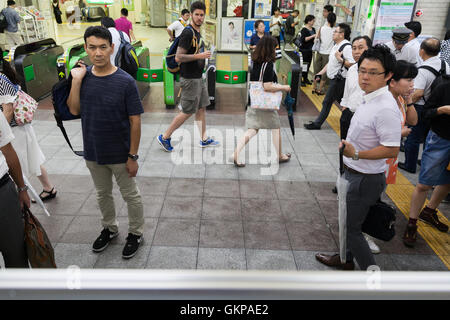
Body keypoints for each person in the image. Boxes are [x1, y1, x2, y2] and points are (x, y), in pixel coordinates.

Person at [316, 44, 401, 271]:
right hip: (354, 172)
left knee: (352, 230)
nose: (365, 77)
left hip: (364, 178)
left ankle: (372, 279)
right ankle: (344, 259)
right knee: (351, 223)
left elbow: (392, 150)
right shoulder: (369, 97)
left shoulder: (385, 107)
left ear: (388, 75)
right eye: (362, 70)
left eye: (373, 73)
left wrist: (356, 153)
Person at [67, 26, 145, 259]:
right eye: (92, 47)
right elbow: (73, 109)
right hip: (93, 152)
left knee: (131, 195)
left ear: (112, 48)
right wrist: (76, 81)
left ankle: (136, 233)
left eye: (103, 47)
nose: (98, 53)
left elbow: (136, 122)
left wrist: (133, 156)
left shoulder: (125, 82)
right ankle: (110, 228)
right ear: (85, 49)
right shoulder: (82, 77)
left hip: (121, 154)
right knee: (103, 194)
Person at [157, 1, 218, 152]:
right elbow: (179, 57)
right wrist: (200, 56)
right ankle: (165, 137)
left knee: (202, 107)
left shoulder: (197, 32)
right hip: (190, 79)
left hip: (198, 77)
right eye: (196, 14)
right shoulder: (188, 32)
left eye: (201, 15)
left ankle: (203, 139)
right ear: (191, 15)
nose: (199, 18)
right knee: (187, 111)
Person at [0, 51, 57, 202]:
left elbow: (8, 109)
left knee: (17, 165)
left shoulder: (0, 78)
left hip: (14, 130)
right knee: (33, 158)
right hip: (20, 127)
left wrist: (2, 131)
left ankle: (20, 199)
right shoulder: (4, 73)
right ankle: (48, 188)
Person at [402, 78, 450, 247]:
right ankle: (412, 223)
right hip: (440, 139)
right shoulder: (444, 87)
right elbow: (426, 113)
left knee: (447, 181)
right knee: (424, 184)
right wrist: (442, 110)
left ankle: (429, 211)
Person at [232, 35, 291, 167]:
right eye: (275, 47)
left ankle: (236, 153)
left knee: (253, 128)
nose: (276, 50)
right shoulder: (268, 64)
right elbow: (267, 85)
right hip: (265, 103)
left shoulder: (256, 61)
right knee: (275, 127)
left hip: (255, 100)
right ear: (269, 48)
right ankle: (280, 156)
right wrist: (284, 87)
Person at [398, 38, 450, 173]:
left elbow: (418, 93)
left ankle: (409, 164)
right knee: (428, 136)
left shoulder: (423, 70)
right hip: (438, 108)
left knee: (413, 138)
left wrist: (407, 105)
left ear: (421, 51)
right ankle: (425, 161)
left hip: (421, 107)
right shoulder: (445, 64)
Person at [305, 23, 355, 130]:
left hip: (339, 81)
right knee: (345, 103)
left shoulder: (346, 47)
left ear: (342, 34)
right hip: (334, 80)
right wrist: (320, 73)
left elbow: (352, 64)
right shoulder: (336, 45)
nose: (334, 33)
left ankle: (317, 124)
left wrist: (340, 59)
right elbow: (330, 63)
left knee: (327, 102)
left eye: (336, 31)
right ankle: (353, 121)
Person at [0, 111, 31, 268]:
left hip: (2, 190)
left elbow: (7, 150)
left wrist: (22, 188)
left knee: (16, 254)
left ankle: (19, 291)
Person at [312, 12, 336, 95]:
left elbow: (316, 39)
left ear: (327, 19)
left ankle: (314, 88)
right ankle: (320, 90)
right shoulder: (335, 30)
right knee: (324, 73)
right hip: (328, 54)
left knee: (317, 71)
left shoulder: (322, 28)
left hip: (319, 52)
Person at [297, 15, 316, 85]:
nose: (314, 22)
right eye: (313, 21)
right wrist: (313, 36)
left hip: (310, 50)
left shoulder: (313, 29)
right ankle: (301, 79)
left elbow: (313, 39)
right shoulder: (304, 29)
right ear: (309, 21)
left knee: (308, 65)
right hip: (304, 50)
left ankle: (305, 78)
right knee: (303, 65)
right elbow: (304, 39)